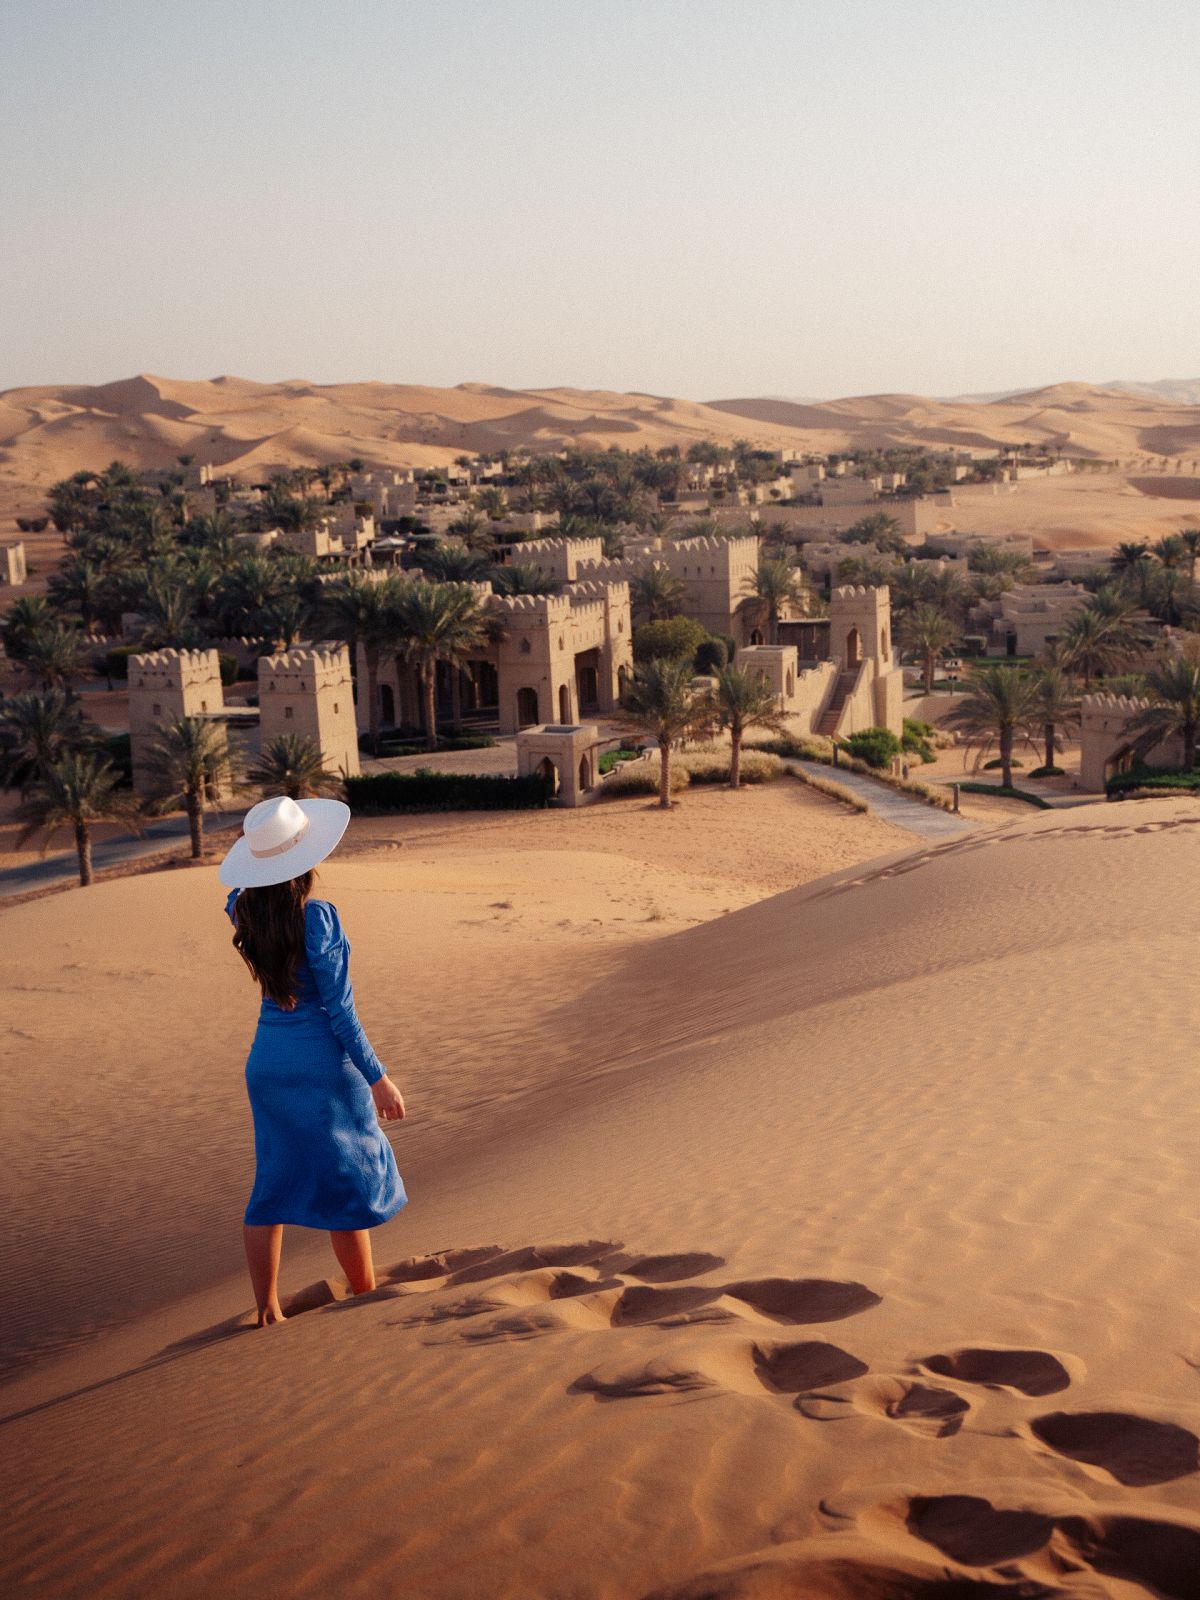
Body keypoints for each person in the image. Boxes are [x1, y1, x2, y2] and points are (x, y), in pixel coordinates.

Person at [219, 794, 407, 1326]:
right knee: (344, 1180)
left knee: (271, 1188)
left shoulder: (245, 911)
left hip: (267, 1068)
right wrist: (379, 1078)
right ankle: (364, 1291)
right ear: (307, 861)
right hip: (323, 1066)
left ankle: (267, 1310)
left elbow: (233, 890)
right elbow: (341, 1014)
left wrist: (259, 868)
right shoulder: (318, 919)